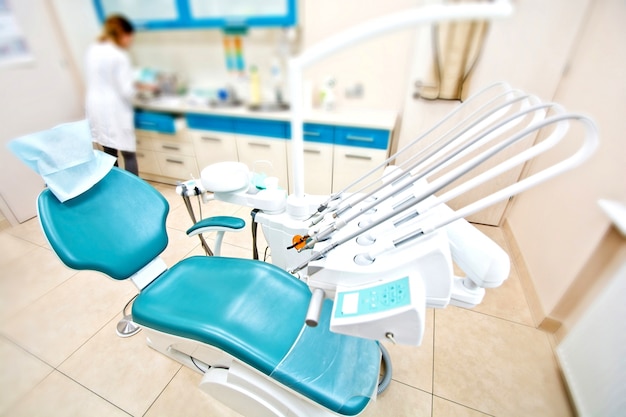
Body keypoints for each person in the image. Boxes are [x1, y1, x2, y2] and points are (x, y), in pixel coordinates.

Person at [85, 14, 139, 175]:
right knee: (128, 154)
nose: (130, 42)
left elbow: (103, 78)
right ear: (124, 35)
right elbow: (126, 90)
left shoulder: (94, 49)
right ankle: (135, 192)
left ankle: (115, 192)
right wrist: (141, 90)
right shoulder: (118, 55)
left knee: (109, 154)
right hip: (113, 108)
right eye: (130, 38)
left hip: (96, 107)